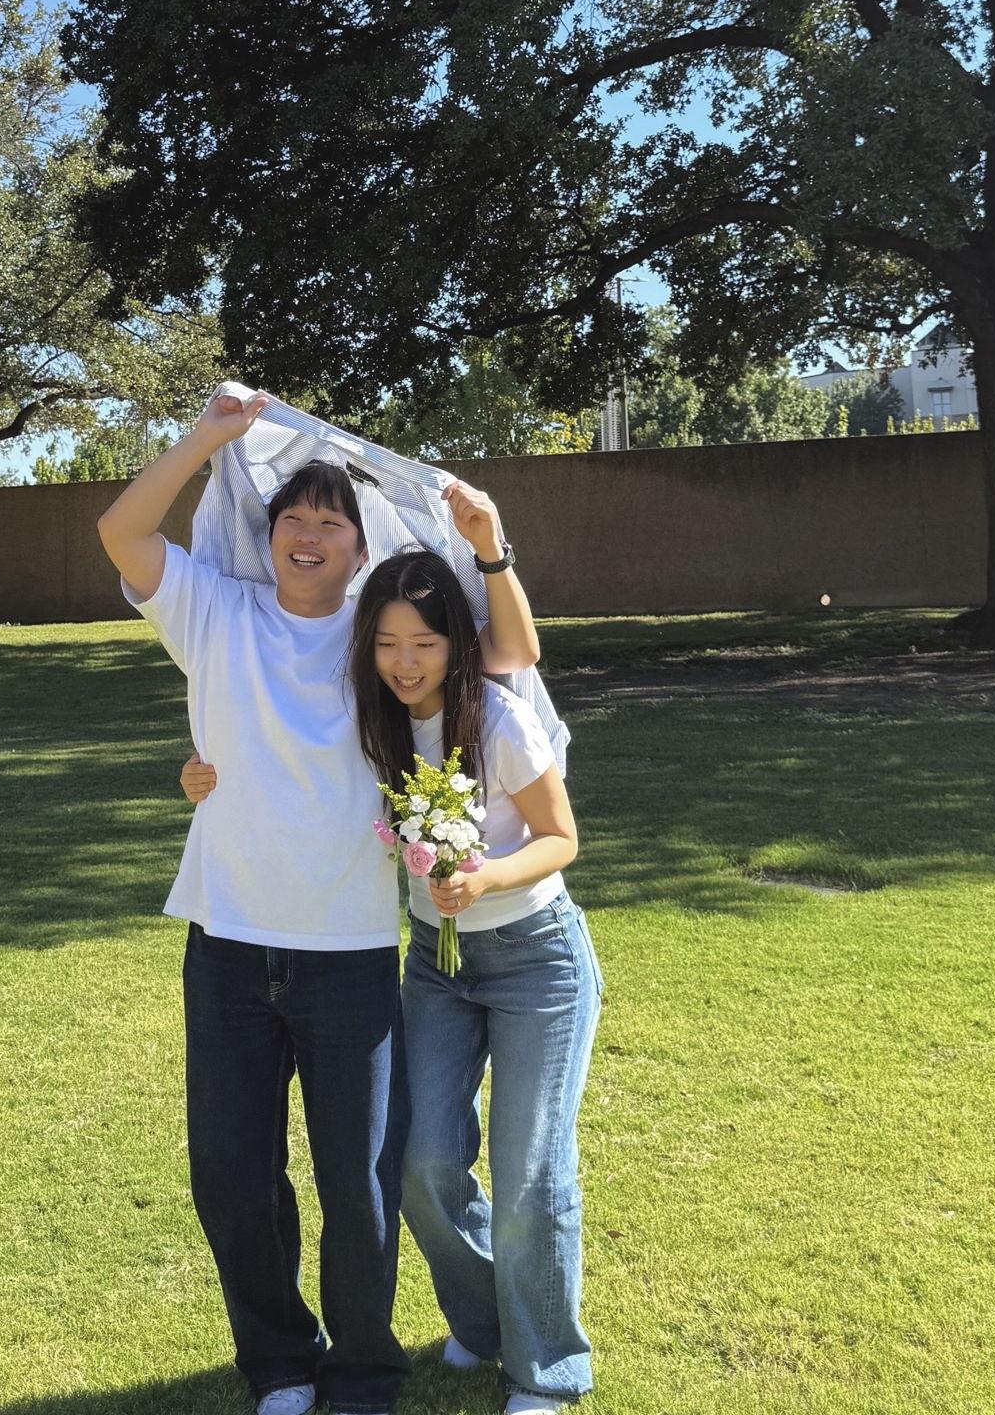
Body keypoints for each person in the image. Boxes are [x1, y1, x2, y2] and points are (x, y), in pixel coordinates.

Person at [101, 389, 537, 1415]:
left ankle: (362, 1371)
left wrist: (490, 547)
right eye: (290, 517)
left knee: (360, 1183)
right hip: (225, 944)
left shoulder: (381, 640)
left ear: (358, 545)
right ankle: (282, 1362)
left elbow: (509, 654)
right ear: (268, 535)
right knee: (232, 1175)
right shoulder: (213, 610)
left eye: (329, 521)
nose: (307, 533)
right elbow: (122, 531)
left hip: (349, 952)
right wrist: (210, 435)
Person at [359, 547, 600, 1413]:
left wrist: (486, 876)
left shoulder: (498, 717)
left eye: (424, 643)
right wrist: (201, 770)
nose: (405, 662)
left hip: (538, 961)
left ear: (457, 643)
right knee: (422, 1165)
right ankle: (490, 1321)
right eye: (388, 643)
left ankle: (547, 1371)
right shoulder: (377, 723)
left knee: (530, 1174)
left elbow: (562, 837)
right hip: (436, 966)